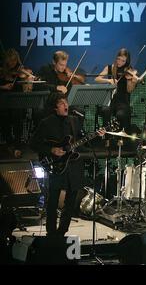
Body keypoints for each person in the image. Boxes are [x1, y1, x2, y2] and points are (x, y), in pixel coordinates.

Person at [31, 93, 104, 236]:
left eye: (66, 102)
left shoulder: (74, 120)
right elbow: (33, 144)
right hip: (55, 165)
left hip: (73, 167)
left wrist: (97, 136)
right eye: (62, 103)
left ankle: (62, 232)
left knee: (71, 201)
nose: (66, 105)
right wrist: (51, 149)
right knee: (53, 201)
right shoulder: (46, 123)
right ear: (54, 107)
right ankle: (51, 233)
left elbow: (82, 143)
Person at [95, 48, 142, 133]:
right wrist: (108, 80)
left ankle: (120, 137)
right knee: (105, 111)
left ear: (127, 61)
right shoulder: (110, 68)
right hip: (111, 100)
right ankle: (106, 135)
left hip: (123, 102)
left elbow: (129, 90)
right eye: (118, 59)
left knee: (121, 115)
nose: (120, 62)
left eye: (123, 61)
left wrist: (132, 82)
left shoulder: (129, 71)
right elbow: (97, 79)